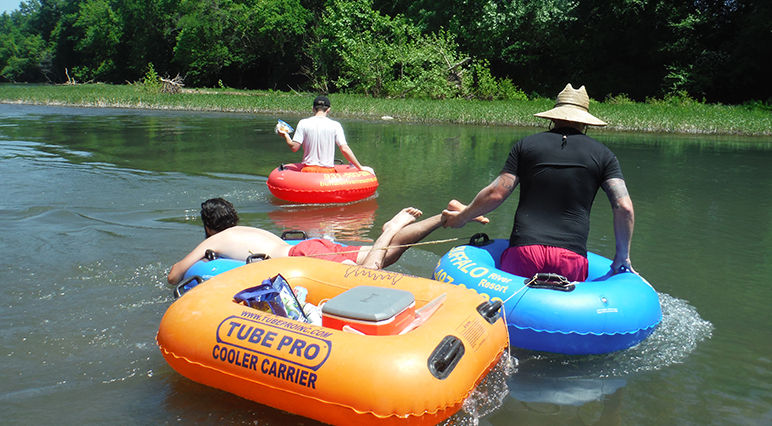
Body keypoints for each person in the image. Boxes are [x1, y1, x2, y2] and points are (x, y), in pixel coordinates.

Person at [441, 83, 635, 281]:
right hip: (570, 258)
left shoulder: (526, 146)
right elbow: (624, 207)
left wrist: (463, 217)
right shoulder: (604, 155)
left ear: (552, 117)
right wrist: (622, 255)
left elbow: (496, 193)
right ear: (585, 122)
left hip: (524, 252)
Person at [168, 197, 487, 285]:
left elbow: (175, 274)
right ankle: (442, 219)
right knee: (384, 257)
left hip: (301, 257)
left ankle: (389, 228)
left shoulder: (218, 239)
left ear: (209, 226)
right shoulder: (247, 230)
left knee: (370, 269)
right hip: (313, 245)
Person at [279, 95, 370, 173]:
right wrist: (360, 167)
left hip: (308, 171)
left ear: (313, 109)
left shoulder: (303, 123)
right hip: (328, 172)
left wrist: (286, 135)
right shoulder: (336, 125)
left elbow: (294, 147)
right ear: (328, 109)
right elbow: (345, 149)